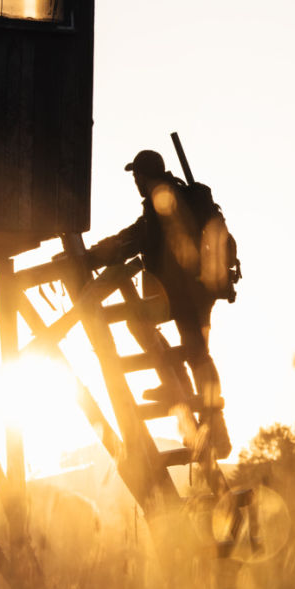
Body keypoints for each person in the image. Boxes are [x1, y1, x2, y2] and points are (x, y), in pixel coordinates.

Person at [87, 149, 232, 459]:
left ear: (143, 176)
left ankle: (205, 418)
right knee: (195, 352)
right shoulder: (175, 193)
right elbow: (145, 234)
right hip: (196, 291)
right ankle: (204, 415)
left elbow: (142, 238)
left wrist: (99, 254)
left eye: (136, 176)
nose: (135, 182)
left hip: (182, 293)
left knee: (152, 331)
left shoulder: (161, 198)